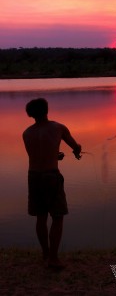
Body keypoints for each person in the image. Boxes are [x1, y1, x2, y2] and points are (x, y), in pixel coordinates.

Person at [23, 98, 81, 269]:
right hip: (51, 176)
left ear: (30, 114)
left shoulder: (26, 133)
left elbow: (37, 155)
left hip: (33, 176)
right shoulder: (58, 127)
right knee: (57, 216)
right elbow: (74, 146)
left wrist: (55, 155)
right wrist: (78, 149)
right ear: (47, 110)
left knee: (41, 217)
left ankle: (45, 254)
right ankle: (54, 259)